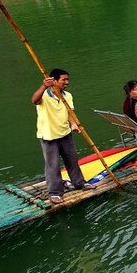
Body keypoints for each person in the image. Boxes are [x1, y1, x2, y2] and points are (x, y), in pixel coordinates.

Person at [32, 68, 93, 203]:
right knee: (52, 164)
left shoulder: (67, 96)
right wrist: (43, 86)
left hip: (65, 133)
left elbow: (70, 113)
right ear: (54, 81)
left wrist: (74, 124)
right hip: (49, 135)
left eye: (67, 79)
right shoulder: (44, 95)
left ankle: (79, 183)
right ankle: (55, 192)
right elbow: (34, 100)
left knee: (72, 160)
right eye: (64, 79)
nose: (67, 82)